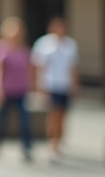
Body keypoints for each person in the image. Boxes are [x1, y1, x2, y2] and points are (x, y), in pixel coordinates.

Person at [0, 16, 34, 162]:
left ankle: (27, 148)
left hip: (21, 90)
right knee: (2, 120)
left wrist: (32, 87)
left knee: (25, 121)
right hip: (5, 91)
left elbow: (29, 70)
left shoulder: (24, 49)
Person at [32, 16, 79, 158]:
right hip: (50, 85)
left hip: (65, 85)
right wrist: (38, 86)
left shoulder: (70, 45)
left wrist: (75, 85)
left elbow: (73, 67)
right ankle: (52, 141)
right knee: (54, 114)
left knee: (63, 115)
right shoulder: (43, 44)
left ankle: (60, 141)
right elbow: (38, 67)